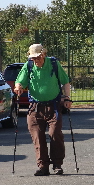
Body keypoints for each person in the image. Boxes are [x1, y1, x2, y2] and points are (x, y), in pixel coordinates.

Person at [13, 44, 72, 176]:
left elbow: (65, 81)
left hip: (54, 105)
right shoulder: (28, 66)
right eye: (33, 58)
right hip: (35, 107)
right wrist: (18, 87)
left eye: (38, 58)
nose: (36, 61)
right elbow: (19, 81)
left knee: (55, 134)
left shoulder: (53, 64)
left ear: (43, 54)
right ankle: (43, 166)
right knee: (37, 137)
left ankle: (57, 164)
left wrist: (67, 98)